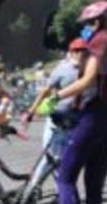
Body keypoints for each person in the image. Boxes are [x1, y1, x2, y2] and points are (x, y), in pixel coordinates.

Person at [53, 0, 107, 204]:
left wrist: (56, 96)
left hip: (94, 115)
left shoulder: (100, 40)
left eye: (86, 24)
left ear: (96, 21)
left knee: (65, 177)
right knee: (94, 180)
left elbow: (88, 81)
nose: (84, 29)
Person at [25, 38, 93, 177]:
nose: (81, 54)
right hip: (56, 118)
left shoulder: (91, 72)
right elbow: (45, 90)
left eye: (84, 51)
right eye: (78, 50)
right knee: (47, 156)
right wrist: (31, 111)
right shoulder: (62, 69)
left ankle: (62, 190)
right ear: (71, 52)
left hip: (75, 122)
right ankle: (32, 189)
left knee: (64, 160)